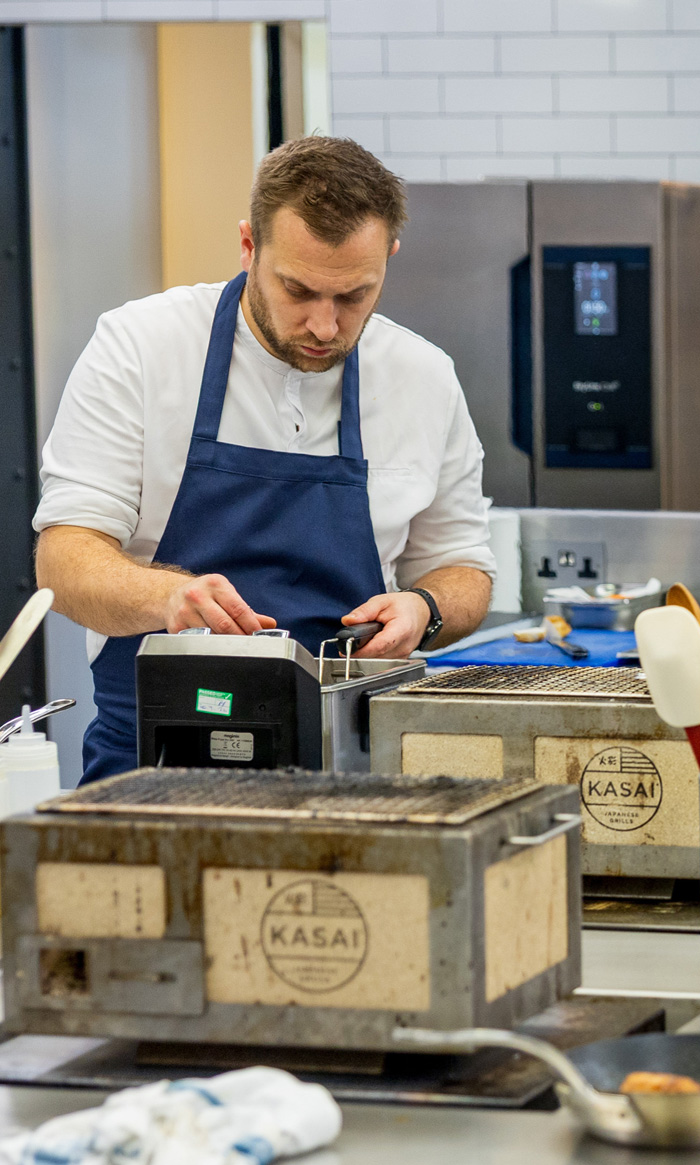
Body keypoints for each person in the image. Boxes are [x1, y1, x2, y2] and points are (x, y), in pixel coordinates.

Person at [34, 136, 496, 782]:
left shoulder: (424, 378)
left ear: (388, 257)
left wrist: (425, 609)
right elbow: (63, 561)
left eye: (354, 296)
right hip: (152, 762)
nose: (325, 326)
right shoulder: (141, 347)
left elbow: (464, 568)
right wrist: (167, 597)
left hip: (352, 768)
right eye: (298, 290)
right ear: (249, 246)